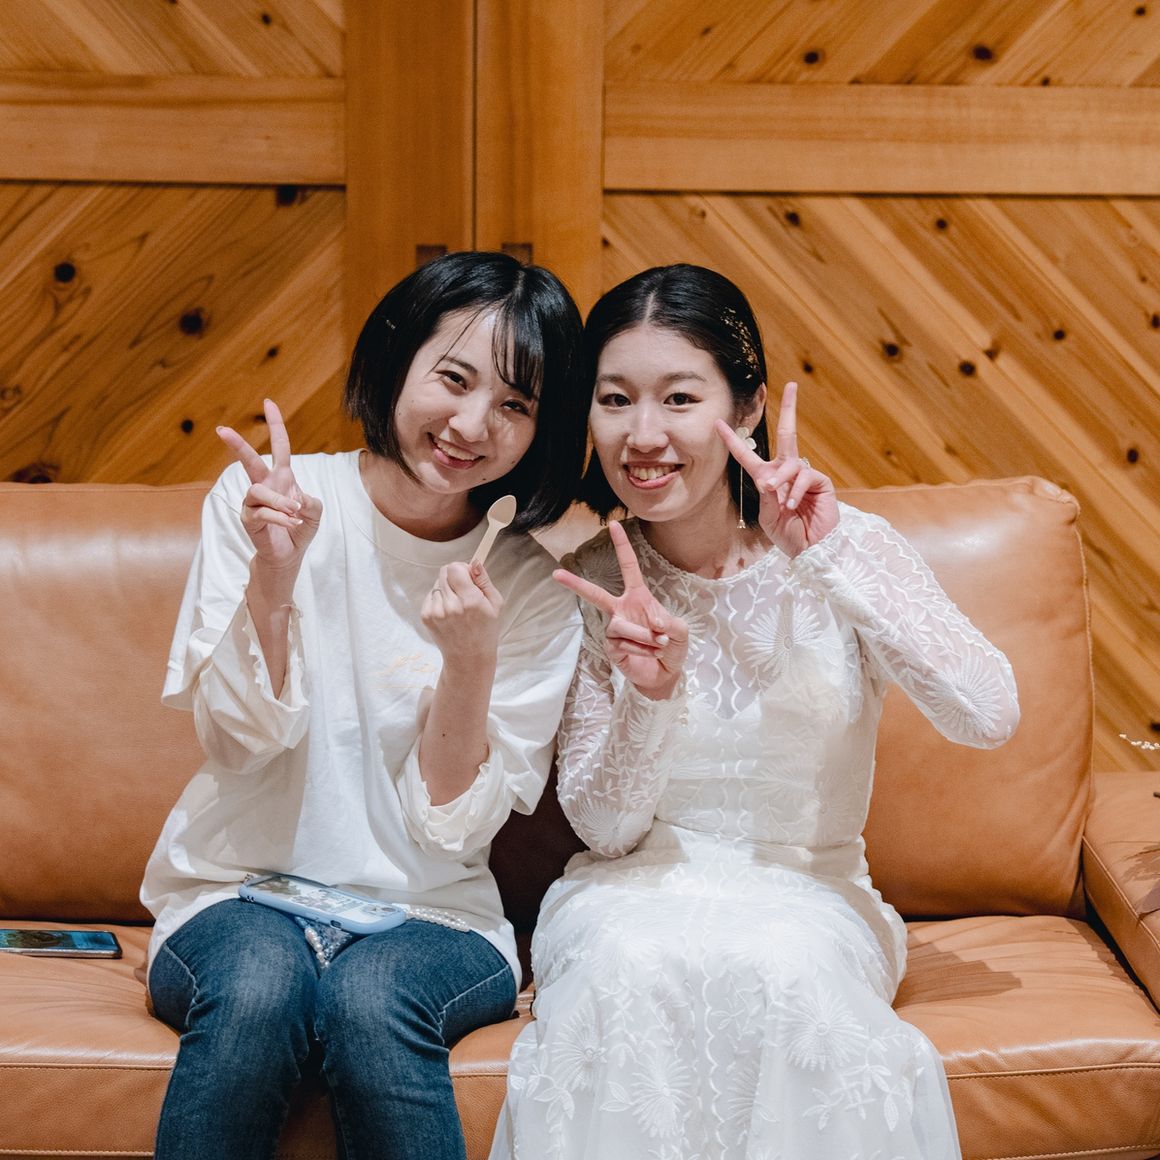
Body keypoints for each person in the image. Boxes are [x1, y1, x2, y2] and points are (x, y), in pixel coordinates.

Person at [490, 263, 1020, 1159]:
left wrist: (828, 560)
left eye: (679, 398)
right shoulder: (592, 578)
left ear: (746, 410)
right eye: (615, 400)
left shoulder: (845, 545)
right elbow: (606, 831)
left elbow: (988, 714)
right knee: (627, 967)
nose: (643, 435)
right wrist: (649, 698)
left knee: (784, 967)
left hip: (811, 892)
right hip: (627, 900)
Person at [140, 250, 588, 1160]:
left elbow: (451, 832)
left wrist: (470, 661)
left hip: (435, 916)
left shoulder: (535, 590)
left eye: (515, 405)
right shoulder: (270, 505)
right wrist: (274, 582)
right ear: (396, 357)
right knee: (260, 987)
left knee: (371, 998)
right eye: (453, 379)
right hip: (239, 890)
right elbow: (237, 745)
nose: (472, 425)